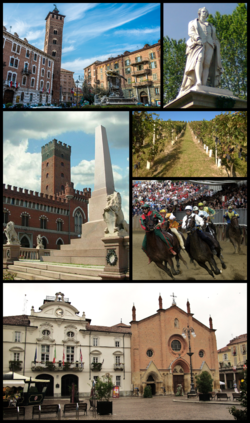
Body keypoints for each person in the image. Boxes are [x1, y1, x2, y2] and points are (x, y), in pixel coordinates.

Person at [178, 7, 223, 95]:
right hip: (198, 43)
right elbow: (191, 32)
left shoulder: (211, 26)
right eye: (203, 11)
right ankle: (198, 80)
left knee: (206, 64)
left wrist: (215, 43)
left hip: (209, 44)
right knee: (199, 59)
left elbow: (214, 37)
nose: (204, 13)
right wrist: (197, 38)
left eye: (206, 12)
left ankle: (204, 83)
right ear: (199, 13)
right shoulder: (193, 22)